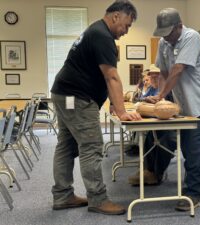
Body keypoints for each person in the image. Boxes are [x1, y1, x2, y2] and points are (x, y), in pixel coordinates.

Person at [50, 0, 141, 215]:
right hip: (76, 97)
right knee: (91, 146)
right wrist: (121, 111)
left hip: (64, 93)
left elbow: (102, 76)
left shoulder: (95, 31)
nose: (126, 31)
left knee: (66, 146)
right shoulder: (102, 36)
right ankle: (98, 199)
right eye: (127, 25)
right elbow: (111, 76)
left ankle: (63, 195)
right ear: (116, 16)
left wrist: (113, 103)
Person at [146, 8, 200, 211]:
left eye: (170, 32)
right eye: (163, 32)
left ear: (179, 26)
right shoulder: (164, 42)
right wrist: (162, 98)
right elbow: (165, 72)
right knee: (189, 149)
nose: (166, 36)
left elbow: (178, 69)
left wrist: (160, 96)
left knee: (191, 152)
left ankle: (193, 194)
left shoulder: (191, 37)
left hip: (199, 105)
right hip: (182, 106)